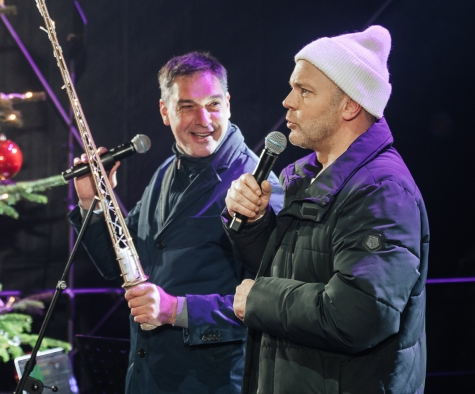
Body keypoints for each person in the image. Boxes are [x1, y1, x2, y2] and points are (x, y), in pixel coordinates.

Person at [224, 26, 429, 394]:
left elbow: (359, 316)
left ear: (349, 105)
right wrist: (254, 224)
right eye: (292, 88)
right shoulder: (302, 176)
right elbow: (292, 271)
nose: (288, 101)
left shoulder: (382, 191)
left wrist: (259, 299)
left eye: (304, 91)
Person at [69, 52, 282, 394]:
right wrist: (92, 202)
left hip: (212, 384)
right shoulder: (166, 172)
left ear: (228, 105)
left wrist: (176, 310)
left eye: (213, 104)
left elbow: (273, 304)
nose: (204, 119)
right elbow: (119, 263)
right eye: (187, 107)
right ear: (165, 111)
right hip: (148, 379)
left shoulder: (255, 185)